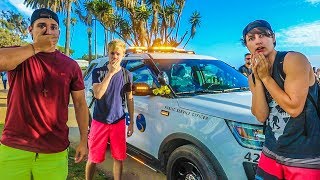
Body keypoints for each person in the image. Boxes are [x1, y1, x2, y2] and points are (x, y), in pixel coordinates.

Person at [0, 8, 88, 179]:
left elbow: (80, 104)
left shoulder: (71, 66)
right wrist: (37, 47)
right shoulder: (19, 55)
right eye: (41, 25)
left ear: (59, 32)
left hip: (54, 150)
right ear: (30, 29)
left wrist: (84, 140)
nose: (48, 30)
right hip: (14, 148)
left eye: (53, 27)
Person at [242, 19, 320, 179]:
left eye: (263, 35)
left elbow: (294, 108)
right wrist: (258, 78)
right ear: (247, 46)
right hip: (271, 151)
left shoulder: (293, 60)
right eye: (251, 38)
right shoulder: (253, 77)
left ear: (274, 38)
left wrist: (266, 78)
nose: (258, 41)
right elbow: (261, 115)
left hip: (305, 156)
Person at [85, 39, 134, 180]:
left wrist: (131, 123)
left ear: (123, 54)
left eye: (118, 53)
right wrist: (110, 73)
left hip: (118, 121)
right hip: (99, 121)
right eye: (112, 53)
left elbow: (130, 98)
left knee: (119, 157)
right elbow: (98, 94)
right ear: (108, 53)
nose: (115, 56)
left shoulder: (127, 75)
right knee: (93, 157)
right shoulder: (98, 72)